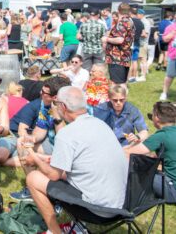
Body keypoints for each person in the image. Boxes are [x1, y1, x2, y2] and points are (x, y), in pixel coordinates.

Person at [24, 86, 128, 233]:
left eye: (56, 103)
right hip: (123, 205)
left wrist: (33, 157)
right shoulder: (101, 124)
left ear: (63, 107)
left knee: (33, 178)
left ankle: (54, 231)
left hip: (98, 211)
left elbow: (53, 175)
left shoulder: (67, 134)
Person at [125, 102, 176, 203]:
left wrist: (131, 145)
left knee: (131, 166)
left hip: (172, 190)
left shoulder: (161, 136)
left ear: (157, 117)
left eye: (152, 115)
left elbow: (128, 154)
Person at [103, 3, 135, 89]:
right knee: (121, 82)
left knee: (117, 84)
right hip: (124, 56)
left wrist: (107, 39)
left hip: (117, 58)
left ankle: (118, 100)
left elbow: (120, 39)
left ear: (118, 11)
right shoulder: (130, 21)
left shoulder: (122, 22)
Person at [159, 17, 176, 101]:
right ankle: (164, 93)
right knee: (169, 75)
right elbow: (164, 39)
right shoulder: (170, 27)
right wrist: (172, 33)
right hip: (173, 56)